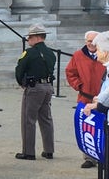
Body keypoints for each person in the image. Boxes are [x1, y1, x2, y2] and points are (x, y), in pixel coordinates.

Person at [14, 23, 56, 161]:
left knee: (28, 120)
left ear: (37, 37)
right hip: (48, 87)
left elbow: (20, 70)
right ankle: (49, 150)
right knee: (46, 119)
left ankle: (28, 152)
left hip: (34, 88)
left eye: (30, 37)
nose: (28, 40)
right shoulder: (51, 53)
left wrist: (21, 83)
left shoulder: (29, 52)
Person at [65, 31, 105, 169]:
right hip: (85, 97)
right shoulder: (78, 55)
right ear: (85, 41)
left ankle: (103, 156)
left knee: (103, 127)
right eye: (88, 40)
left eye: (93, 41)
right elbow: (70, 72)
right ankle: (89, 157)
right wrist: (79, 85)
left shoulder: (104, 55)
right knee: (86, 127)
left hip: (103, 99)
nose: (91, 43)